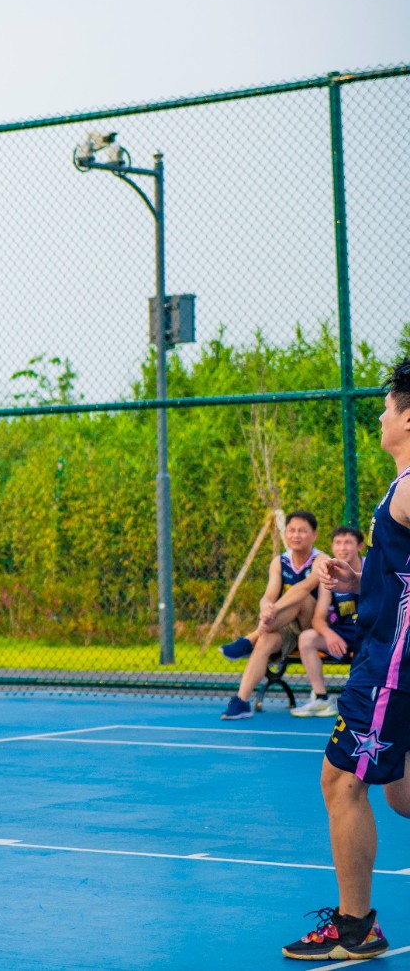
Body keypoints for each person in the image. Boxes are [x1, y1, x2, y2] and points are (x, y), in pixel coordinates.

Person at [280, 361, 410, 961]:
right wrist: (363, 580)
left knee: (342, 779)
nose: (380, 416)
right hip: (391, 656)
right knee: (402, 793)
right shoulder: (400, 486)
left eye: (387, 407)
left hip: (392, 667)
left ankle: (355, 928)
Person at [218, 510, 325, 721]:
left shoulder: (321, 560)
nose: (296, 535)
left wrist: (274, 609)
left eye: (302, 531)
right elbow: (268, 596)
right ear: (285, 534)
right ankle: (241, 701)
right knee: (266, 640)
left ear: (314, 535)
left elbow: (305, 588)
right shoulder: (279, 562)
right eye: (291, 530)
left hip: (314, 626)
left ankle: (250, 638)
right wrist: (266, 608)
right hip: (286, 624)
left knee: (301, 597)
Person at [290, 526, 366, 718]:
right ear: (332, 547)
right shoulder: (330, 575)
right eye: (338, 543)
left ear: (359, 546)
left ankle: (370, 700)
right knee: (307, 638)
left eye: (348, 542)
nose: (342, 548)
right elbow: (318, 618)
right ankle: (321, 699)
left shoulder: (372, 568)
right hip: (345, 633)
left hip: (372, 631)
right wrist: (329, 634)